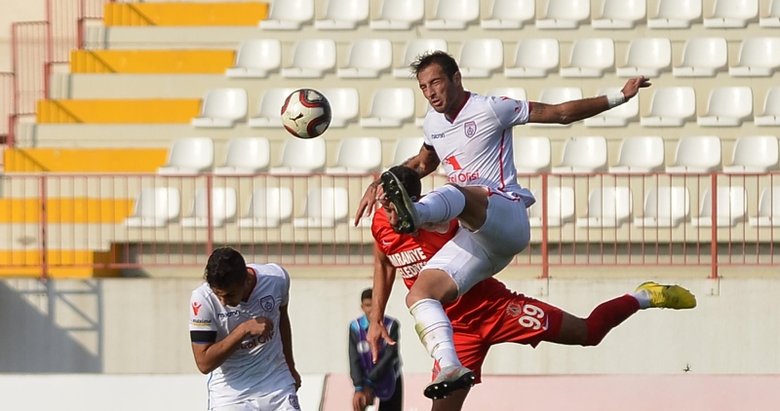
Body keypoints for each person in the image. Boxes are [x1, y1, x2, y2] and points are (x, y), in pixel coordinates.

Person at [353, 51, 694, 400]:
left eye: (436, 82)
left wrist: (619, 96)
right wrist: (382, 181)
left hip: (505, 217)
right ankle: (449, 361)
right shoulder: (433, 124)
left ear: (456, 78)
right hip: (474, 246)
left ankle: (418, 215)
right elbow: (423, 163)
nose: (431, 93)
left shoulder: (490, 108)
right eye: (424, 87)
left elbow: (559, 114)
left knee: (457, 192)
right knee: (418, 294)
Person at [368, 165, 697, 409]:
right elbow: (384, 261)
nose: (392, 215)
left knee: (588, 333)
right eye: (388, 206)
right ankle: (450, 361)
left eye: (399, 207)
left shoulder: (440, 218)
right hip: (455, 333)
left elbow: (466, 206)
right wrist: (376, 318)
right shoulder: (381, 223)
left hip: (496, 309)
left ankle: (643, 295)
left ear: (416, 202)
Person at [189, 246, 302, 411]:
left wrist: (290, 367)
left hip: (276, 383)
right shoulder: (202, 300)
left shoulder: (277, 279)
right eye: (217, 294)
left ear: (247, 281)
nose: (223, 302)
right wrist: (244, 330)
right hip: (231, 395)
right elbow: (204, 363)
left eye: (229, 294)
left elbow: (282, 320)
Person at [348, 288, 403, 411]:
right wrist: (359, 386)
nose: (371, 309)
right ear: (362, 307)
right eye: (368, 305)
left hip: (390, 377)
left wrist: (370, 380)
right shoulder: (355, 327)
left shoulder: (391, 325)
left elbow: (390, 355)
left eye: (374, 305)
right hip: (364, 379)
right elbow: (353, 358)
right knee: (359, 405)